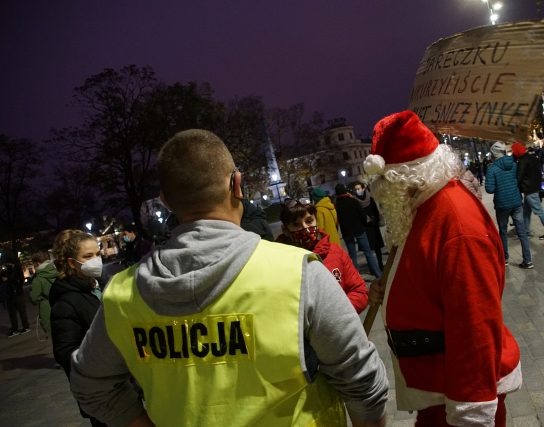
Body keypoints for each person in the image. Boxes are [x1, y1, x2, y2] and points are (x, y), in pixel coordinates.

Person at [69, 129, 388, 427]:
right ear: (237, 185)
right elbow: (363, 382)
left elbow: (90, 386)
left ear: (166, 201)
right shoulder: (297, 273)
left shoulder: (122, 296)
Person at [364, 111, 521, 427]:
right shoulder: (424, 206)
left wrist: (471, 414)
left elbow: (474, 328)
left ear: (408, 177)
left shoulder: (455, 220)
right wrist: (389, 286)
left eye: (387, 183)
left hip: (458, 402)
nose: (382, 194)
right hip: (438, 395)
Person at [49, 229, 106, 427]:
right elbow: (65, 352)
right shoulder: (66, 302)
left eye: (98, 254)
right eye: (88, 256)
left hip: (128, 384)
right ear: (72, 263)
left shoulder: (103, 285)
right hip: (100, 393)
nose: (96, 260)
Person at [277, 199, 368, 313]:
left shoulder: (335, 252)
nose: (305, 228)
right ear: (286, 229)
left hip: (341, 326)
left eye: (309, 221)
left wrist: (337, 314)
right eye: (296, 224)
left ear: (316, 220)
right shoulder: (279, 262)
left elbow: (359, 291)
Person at [486, 141, 534, 268]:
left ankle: (505, 259)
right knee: (522, 232)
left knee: (503, 231)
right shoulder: (513, 164)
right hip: (516, 201)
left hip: (502, 204)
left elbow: (489, 189)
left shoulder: (492, 169)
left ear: (494, 154)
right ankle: (528, 260)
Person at [510, 142, 544, 241]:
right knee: (526, 212)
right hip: (533, 188)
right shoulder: (532, 158)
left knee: (539, 211)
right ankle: (525, 231)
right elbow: (538, 173)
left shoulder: (523, 161)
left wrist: (513, 185)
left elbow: (520, 176)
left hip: (529, 189)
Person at [334, 183, 383, 278]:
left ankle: (356, 278)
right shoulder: (353, 201)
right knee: (368, 252)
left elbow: (337, 220)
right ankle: (378, 274)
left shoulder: (336, 205)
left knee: (353, 256)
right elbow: (362, 215)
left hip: (347, 232)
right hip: (359, 229)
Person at [353, 182, 385, 271]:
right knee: (368, 249)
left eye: (358, 188)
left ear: (363, 189)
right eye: (356, 189)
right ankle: (372, 267)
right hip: (365, 228)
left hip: (373, 226)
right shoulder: (355, 202)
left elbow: (376, 212)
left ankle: (380, 264)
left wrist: (375, 220)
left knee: (377, 247)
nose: (357, 191)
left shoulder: (370, 199)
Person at [29, 251, 57, 337]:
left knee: (55, 336)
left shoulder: (38, 279)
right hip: (61, 304)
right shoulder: (57, 272)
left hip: (47, 308)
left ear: (37, 263)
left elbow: (34, 298)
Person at [1, 255, 30, 337]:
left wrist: (9, 279)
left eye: (7, 262)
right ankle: (15, 329)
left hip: (18, 294)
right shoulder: (7, 269)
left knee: (22, 312)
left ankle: (26, 327)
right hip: (10, 295)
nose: (6, 264)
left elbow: (20, 281)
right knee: (12, 313)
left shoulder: (17, 269)